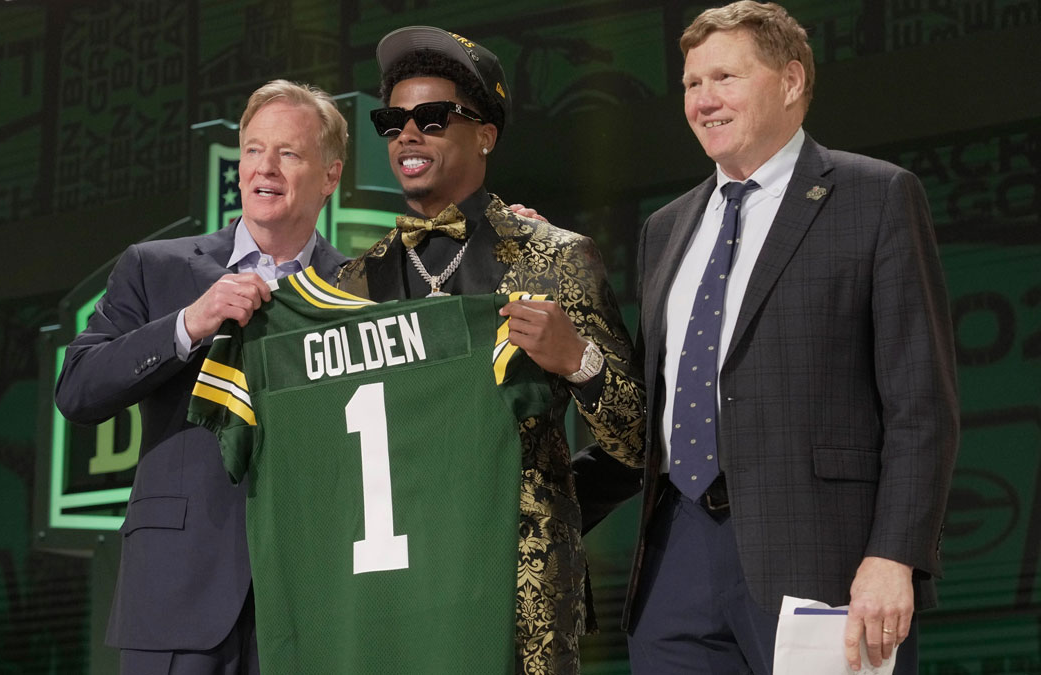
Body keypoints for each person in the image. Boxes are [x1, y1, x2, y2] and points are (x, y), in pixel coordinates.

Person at [573, 2, 959, 673]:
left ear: (789, 82)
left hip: (825, 561)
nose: (702, 100)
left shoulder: (876, 197)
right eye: (692, 84)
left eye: (724, 77)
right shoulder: (665, 228)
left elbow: (920, 404)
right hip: (676, 561)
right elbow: (649, 410)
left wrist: (894, 554)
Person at [335, 26, 645, 673]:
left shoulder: (556, 256)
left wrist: (576, 366)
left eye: (432, 117)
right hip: (392, 593)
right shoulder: (351, 285)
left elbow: (639, 442)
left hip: (519, 599)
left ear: (485, 133)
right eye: (393, 121)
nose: (408, 135)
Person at [54, 79, 349, 675]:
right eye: (253, 150)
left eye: (288, 153)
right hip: (176, 593)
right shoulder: (153, 268)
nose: (264, 167)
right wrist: (190, 323)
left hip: (314, 598)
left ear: (330, 175)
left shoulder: (360, 289)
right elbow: (78, 388)